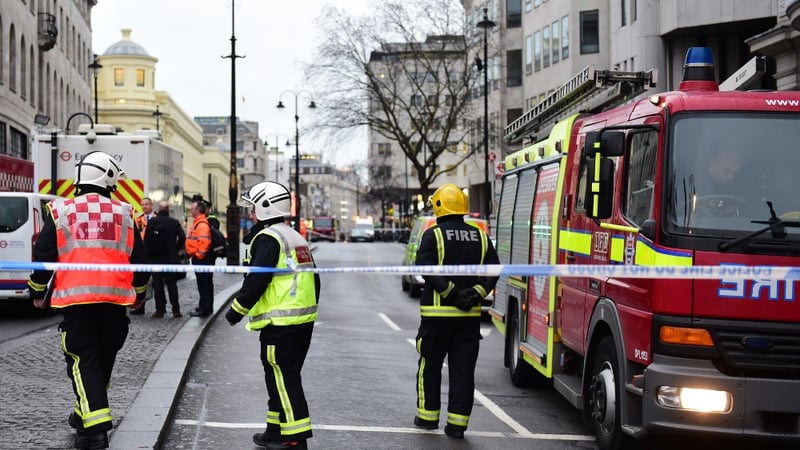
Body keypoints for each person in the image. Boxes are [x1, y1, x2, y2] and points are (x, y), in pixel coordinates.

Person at [27, 151, 150, 450]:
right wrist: (140, 295)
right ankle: (84, 414)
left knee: (84, 362)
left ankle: (94, 429)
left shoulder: (60, 211)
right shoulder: (125, 213)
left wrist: (37, 292)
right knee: (101, 361)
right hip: (115, 302)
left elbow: (44, 256)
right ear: (108, 177)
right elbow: (141, 262)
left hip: (77, 302)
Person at [225, 181, 321, 450]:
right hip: (299, 321)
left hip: (282, 323)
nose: (251, 214)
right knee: (279, 377)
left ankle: (294, 438)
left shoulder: (268, 239)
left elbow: (257, 280)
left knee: (284, 377)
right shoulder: (293, 236)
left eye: (253, 209)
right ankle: (274, 432)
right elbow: (315, 281)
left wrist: (236, 311)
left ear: (266, 208)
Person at [412, 183, 499, 440]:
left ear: (439, 206)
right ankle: (457, 426)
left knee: (430, 367)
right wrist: (476, 294)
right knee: (463, 372)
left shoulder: (433, 235)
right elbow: (493, 270)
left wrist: (450, 293)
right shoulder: (480, 236)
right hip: (468, 320)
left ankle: (427, 418)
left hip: (436, 318)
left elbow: (426, 269)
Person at [144, 201, 186, 318]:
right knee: (172, 285)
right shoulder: (174, 223)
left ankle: (160, 310)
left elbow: (146, 240)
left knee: (158, 286)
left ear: (158, 209)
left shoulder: (152, 222)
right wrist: (175, 248)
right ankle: (176, 310)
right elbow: (182, 237)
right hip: (170, 259)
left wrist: (150, 253)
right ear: (168, 210)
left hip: (156, 259)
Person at [185, 198, 214, 317]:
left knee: (203, 284)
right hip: (201, 258)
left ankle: (204, 309)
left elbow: (204, 243)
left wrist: (198, 255)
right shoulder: (198, 223)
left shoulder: (201, 224)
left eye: (192, 209)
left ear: (197, 210)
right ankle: (205, 306)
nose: (190, 211)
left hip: (201, 259)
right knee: (204, 284)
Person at [130, 197, 156, 315]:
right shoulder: (138, 219)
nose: (144, 206)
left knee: (156, 283)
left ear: (151, 205)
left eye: (146, 204)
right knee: (141, 279)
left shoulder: (156, 219)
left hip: (152, 252)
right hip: (141, 251)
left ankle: (160, 307)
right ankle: (140, 306)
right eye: (142, 204)